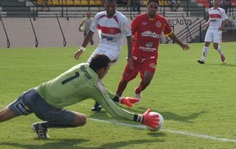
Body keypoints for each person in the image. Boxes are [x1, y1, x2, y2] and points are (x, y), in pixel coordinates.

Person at [0, 54, 160, 139]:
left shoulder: (83, 65)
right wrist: (141, 119)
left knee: (1, 116)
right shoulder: (92, 86)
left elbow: (101, 89)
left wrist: (119, 98)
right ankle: (42, 126)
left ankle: (41, 127)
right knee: (81, 119)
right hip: (46, 110)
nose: (107, 71)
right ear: (102, 70)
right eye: (108, 69)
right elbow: (114, 112)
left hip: (32, 94)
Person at [115, 0, 190, 102]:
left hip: (151, 56)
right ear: (147, 7)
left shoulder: (162, 21)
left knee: (148, 79)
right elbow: (129, 35)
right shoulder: (138, 20)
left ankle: (138, 90)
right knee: (126, 79)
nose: (153, 9)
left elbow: (170, 33)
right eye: (151, 7)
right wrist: (130, 55)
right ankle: (116, 97)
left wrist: (181, 43)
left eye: (155, 7)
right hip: (136, 55)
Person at [74, 0, 133, 111]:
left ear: (116, 6)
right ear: (104, 5)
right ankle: (102, 100)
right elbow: (90, 32)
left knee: (98, 70)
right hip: (101, 48)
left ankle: (100, 101)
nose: (110, 8)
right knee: (88, 71)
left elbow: (129, 37)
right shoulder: (99, 16)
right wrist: (81, 49)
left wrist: (129, 57)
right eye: (108, 6)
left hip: (114, 50)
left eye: (113, 6)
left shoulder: (121, 19)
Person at [197, 0, 228, 64]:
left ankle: (222, 54)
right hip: (210, 28)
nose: (216, 2)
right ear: (212, 2)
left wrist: (222, 26)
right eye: (215, 1)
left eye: (217, 1)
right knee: (206, 43)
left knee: (215, 46)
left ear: (219, 2)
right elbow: (211, 18)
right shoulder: (210, 10)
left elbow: (225, 19)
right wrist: (207, 23)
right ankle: (203, 59)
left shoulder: (221, 10)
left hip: (217, 29)